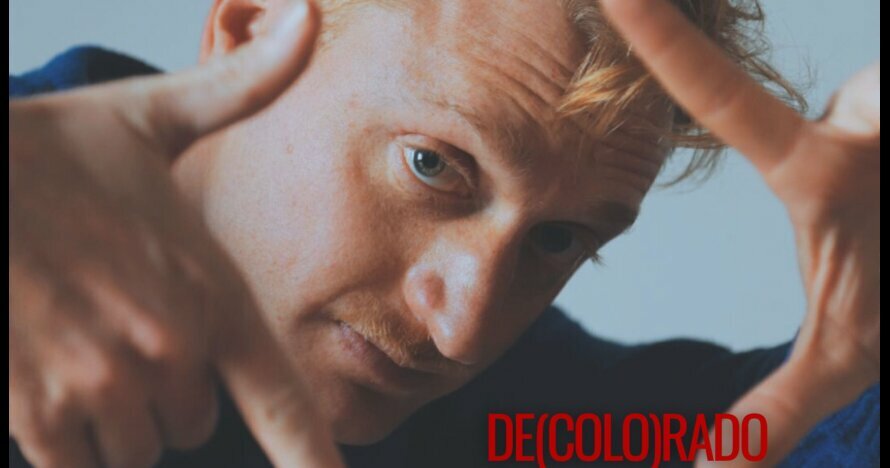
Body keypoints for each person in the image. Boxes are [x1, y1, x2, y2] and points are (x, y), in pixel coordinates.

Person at [9, 0, 880, 466]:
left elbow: (739, 436)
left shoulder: (505, 423)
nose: (463, 330)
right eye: (433, 166)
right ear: (248, 32)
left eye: (557, 240)